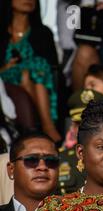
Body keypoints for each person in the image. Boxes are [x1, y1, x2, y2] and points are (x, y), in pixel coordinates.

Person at [0, 0, 61, 142]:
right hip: (5, 80)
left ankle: (37, 128)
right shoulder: (1, 32)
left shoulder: (43, 33)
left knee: (34, 70)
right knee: (30, 71)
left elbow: (53, 67)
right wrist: (6, 68)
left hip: (38, 81)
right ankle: (48, 126)